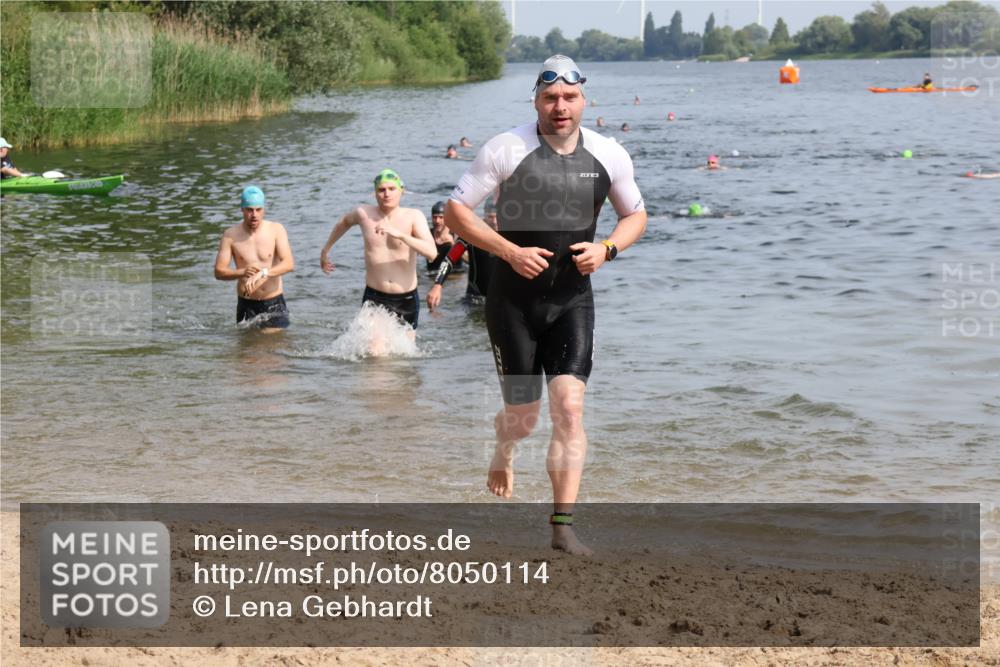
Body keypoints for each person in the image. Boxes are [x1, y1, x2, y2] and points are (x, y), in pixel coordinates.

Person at [444, 54, 647, 555]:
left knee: (570, 411)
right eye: (550, 97)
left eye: (570, 97)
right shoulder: (505, 148)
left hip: (572, 302)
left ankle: (562, 528)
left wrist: (607, 249)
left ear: (584, 99)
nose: (561, 106)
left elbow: (636, 216)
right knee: (524, 418)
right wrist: (508, 251)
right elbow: (455, 212)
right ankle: (504, 447)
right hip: (512, 305)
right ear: (536, 100)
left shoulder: (609, 155)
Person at [320, 169, 437, 329]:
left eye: (391, 189)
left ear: (401, 191)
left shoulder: (413, 216)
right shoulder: (364, 214)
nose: (386, 194)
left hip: (406, 299)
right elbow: (344, 222)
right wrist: (326, 250)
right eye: (381, 190)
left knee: (404, 353)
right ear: (375, 193)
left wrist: (401, 235)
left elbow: (432, 253)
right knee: (376, 351)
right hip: (375, 296)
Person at [214, 186, 294, 331]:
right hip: (246, 304)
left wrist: (264, 273)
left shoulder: (276, 230)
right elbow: (219, 271)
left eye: (258, 209)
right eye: (250, 210)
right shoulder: (230, 235)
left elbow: (288, 264)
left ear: (263, 209)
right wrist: (242, 272)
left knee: (271, 346)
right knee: (248, 351)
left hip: (273, 301)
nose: (254, 215)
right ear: (242, 209)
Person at [426, 199, 498, 311]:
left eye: (497, 217)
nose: (494, 221)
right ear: (484, 216)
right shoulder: (472, 232)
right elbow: (449, 259)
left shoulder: (510, 234)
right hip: (474, 299)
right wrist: (437, 285)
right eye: (490, 217)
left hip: (501, 299)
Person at [426, 200, 464, 274]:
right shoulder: (428, 234)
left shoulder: (455, 234)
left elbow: (467, 260)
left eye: (441, 217)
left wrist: (453, 245)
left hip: (454, 274)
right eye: (434, 217)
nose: (437, 221)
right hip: (432, 274)